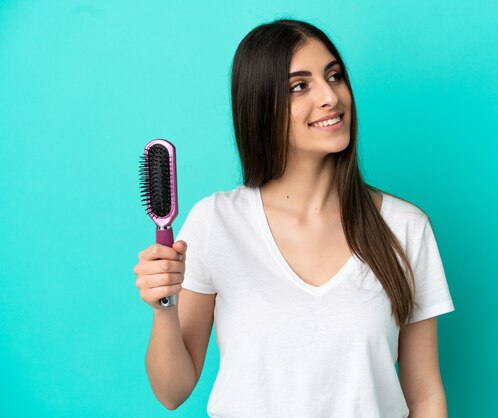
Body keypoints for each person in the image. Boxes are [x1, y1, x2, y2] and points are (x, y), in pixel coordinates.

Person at [133, 18, 455, 418]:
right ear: (260, 105)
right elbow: (172, 391)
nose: (331, 97)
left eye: (334, 76)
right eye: (299, 85)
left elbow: (425, 397)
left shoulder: (405, 227)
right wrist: (163, 306)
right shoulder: (216, 222)